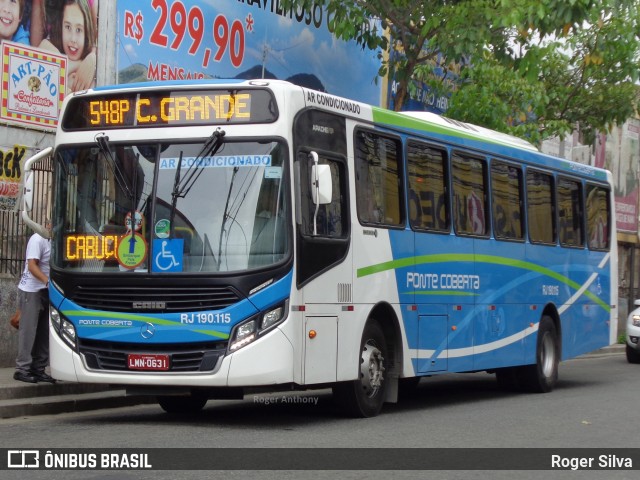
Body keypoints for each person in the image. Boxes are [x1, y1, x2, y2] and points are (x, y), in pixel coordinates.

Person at [14, 220, 54, 384]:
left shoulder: (55, 241)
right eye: (52, 223)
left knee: (44, 331)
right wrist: (47, 281)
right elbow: (32, 266)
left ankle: (38, 368)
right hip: (32, 290)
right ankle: (22, 369)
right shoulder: (38, 239)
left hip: (47, 290)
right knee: (28, 330)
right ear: (47, 224)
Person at [38, 0, 96, 91]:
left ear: (86, 32)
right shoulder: (47, 47)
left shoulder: (94, 67)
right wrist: (80, 64)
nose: (73, 39)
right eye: (68, 27)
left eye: (79, 30)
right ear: (60, 27)